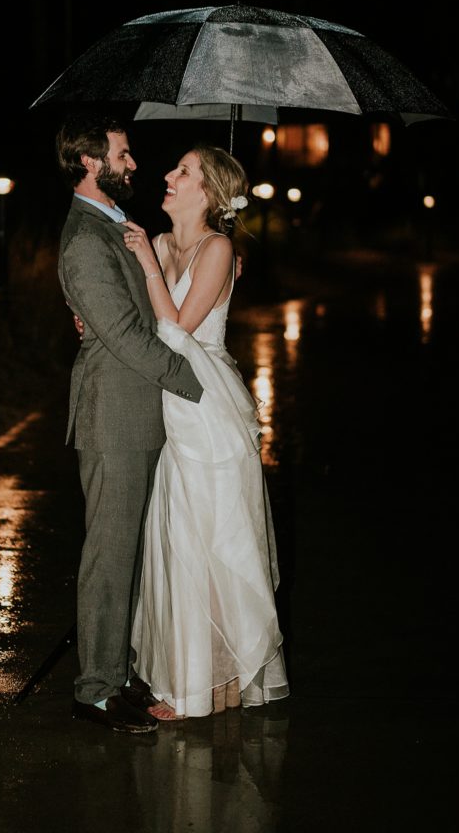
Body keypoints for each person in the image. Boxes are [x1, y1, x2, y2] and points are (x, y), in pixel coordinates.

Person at [123, 143, 289, 719]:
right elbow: (140, 317)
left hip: (204, 404)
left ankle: (205, 686)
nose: (167, 175)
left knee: (212, 542)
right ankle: (198, 678)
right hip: (170, 401)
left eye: (183, 171)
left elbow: (179, 325)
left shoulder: (219, 247)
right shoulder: (167, 243)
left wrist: (146, 262)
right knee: (178, 538)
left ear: (210, 193)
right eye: (172, 167)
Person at [56, 113, 204, 734]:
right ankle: (95, 690)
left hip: (141, 411)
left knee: (136, 555)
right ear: (90, 162)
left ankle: (120, 672)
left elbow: (145, 308)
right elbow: (119, 332)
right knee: (110, 556)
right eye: (123, 153)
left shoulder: (117, 226)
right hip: (113, 416)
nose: (134, 163)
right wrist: (195, 383)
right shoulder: (84, 240)